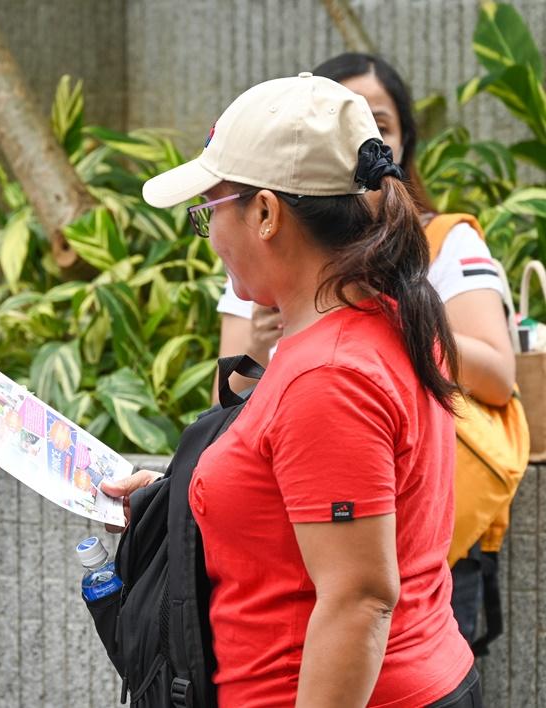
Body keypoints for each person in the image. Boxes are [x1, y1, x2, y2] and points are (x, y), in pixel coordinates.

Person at [118, 72, 478, 706]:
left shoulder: (330, 375)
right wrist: (175, 503)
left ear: (265, 212)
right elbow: (305, 503)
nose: (213, 241)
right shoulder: (386, 318)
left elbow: (358, 598)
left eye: (211, 211)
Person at [216, 53, 516, 646]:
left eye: (372, 124)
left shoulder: (335, 366)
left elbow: (358, 601)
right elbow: (233, 419)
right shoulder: (287, 299)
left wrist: (371, 317)